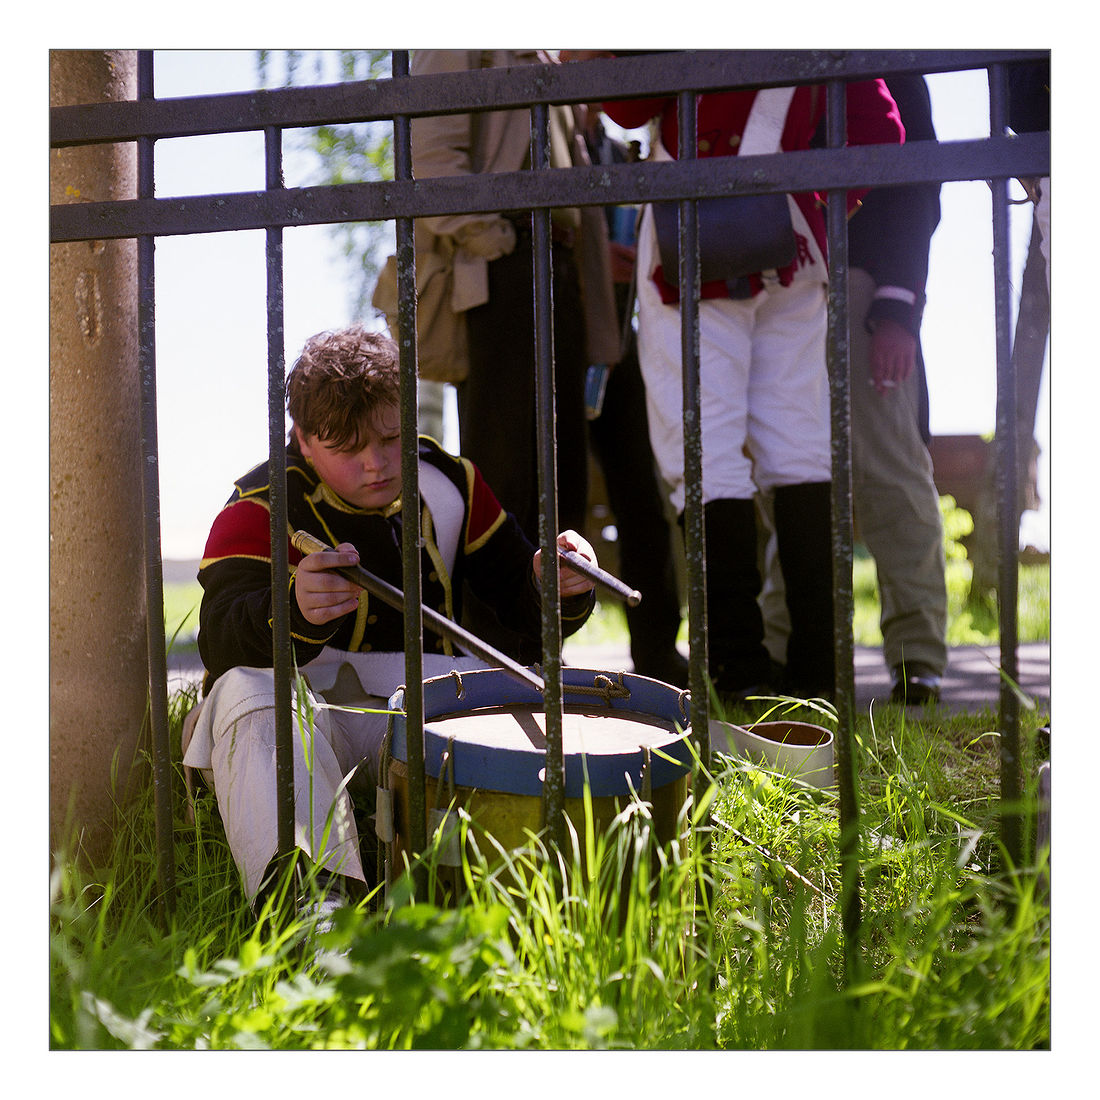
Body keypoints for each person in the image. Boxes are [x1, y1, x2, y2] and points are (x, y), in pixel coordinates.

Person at [182, 325, 598, 907]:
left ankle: (505, 901)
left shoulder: (453, 484)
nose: (377, 464)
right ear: (302, 440)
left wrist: (562, 585)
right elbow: (220, 646)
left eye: (391, 437)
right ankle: (312, 915)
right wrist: (293, 611)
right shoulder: (257, 506)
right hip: (311, 724)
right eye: (347, 449)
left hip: (427, 715)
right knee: (246, 693)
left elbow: (525, 615)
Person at [599, 65, 904, 701]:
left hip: (689, 243)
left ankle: (737, 673)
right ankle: (821, 669)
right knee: (800, 452)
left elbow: (624, 102)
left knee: (703, 457)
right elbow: (882, 129)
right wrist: (811, 205)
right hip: (791, 242)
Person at [409, 49, 619, 664]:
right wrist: (495, 239)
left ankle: (538, 658)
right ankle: (491, 662)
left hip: (557, 266)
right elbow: (430, 155)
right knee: (505, 475)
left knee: (560, 480)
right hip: (506, 269)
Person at [846, 74, 947, 705]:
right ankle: (786, 648)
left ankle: (918, 659)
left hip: (863, 282)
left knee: (890, 475)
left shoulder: (888, 43)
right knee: (789, 483)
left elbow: (915, 179)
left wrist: (896, 305)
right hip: (782, 283)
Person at [581, 105, 688, 687]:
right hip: (560, 334)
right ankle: (549, 657)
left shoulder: (618, 149)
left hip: (620, 344)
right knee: (559, 498)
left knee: (644, 504)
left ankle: (657, 653)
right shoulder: (546, 127)